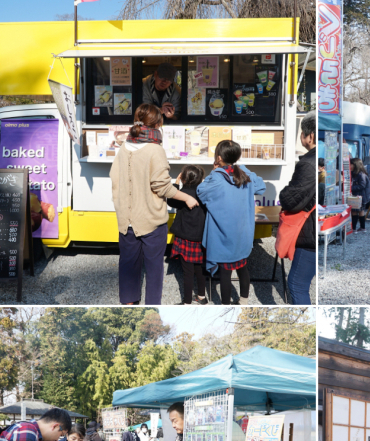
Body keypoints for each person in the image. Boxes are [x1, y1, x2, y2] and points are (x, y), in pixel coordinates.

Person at [110, 103, 198, 305]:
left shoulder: (124, 146)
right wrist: (187, 197)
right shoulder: (155, 149)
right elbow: (162, 186)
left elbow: (114, 177)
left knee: (128, 264)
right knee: (154, 268)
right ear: (157, 124)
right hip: (151, 220)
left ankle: (129, 303)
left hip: (126, 219)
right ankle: (151, 306)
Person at [197, 140, 266, 305]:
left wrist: (213, 172)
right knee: (243, 267)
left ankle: (226, 304)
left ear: (218, 157)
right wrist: (242, 168)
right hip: (242, 233)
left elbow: (201, 192)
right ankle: (243, 301)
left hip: (223, 234)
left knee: (225, 273)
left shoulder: (216, 178)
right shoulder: (243, 174)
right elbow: (261, 186)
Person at [279, 111, 316, 305]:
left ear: (310, 136)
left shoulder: (308, 164)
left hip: (309, 235)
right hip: (316, 229)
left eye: (302, 133)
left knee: (296, 284)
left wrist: (283, 192)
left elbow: (290, 199)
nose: (301, 137)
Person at [168, 165, 208, 305]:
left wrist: (176, 183)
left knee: (187, 272)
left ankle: (186, 302)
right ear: (200, 179)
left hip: (185, 238)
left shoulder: (182, 194)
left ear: (184, 178)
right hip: (201, 237)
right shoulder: (204, 194)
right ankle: (202, 297)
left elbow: (170, 199)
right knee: (200, 268)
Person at [350, 158, 370, 233]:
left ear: (356, 165)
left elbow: (362, 185)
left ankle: (354, 228)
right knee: (361, 211)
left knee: (355, 211)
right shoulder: (359, 173)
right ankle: (362, 228)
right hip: (361, 196)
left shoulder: (360, 174)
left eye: (351, 164)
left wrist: (351, 188)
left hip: (360, 196)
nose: (349, 166)